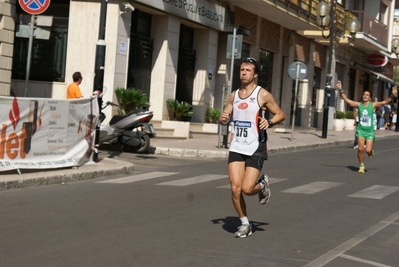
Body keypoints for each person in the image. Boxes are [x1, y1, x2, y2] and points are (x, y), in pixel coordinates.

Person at [219, 57, 286, 238]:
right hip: (237, 145)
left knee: (248, 189)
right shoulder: (233, 95)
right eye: (242, 69)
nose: (244, 73)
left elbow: (281, 114)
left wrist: (269, 122)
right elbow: (224, 116)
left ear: (255, 74)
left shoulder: (262, 94)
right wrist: (223, 119)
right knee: (235, 188)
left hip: (256, 146)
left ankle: (262, 184)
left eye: (248, 70)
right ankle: (245, 223)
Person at [337, 80, 397, 173]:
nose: (365, 96)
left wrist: (392, 96)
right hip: (361, 130)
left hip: (369, 131)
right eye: (364, 94)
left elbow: (384, 102)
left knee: (368, 150)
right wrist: (341, 90)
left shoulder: (373, 105)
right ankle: (361, 165)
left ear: (370, 98)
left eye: (367, 95)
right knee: (360, 149)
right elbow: (348, 101)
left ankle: (370, 152)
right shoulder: (359, 105)